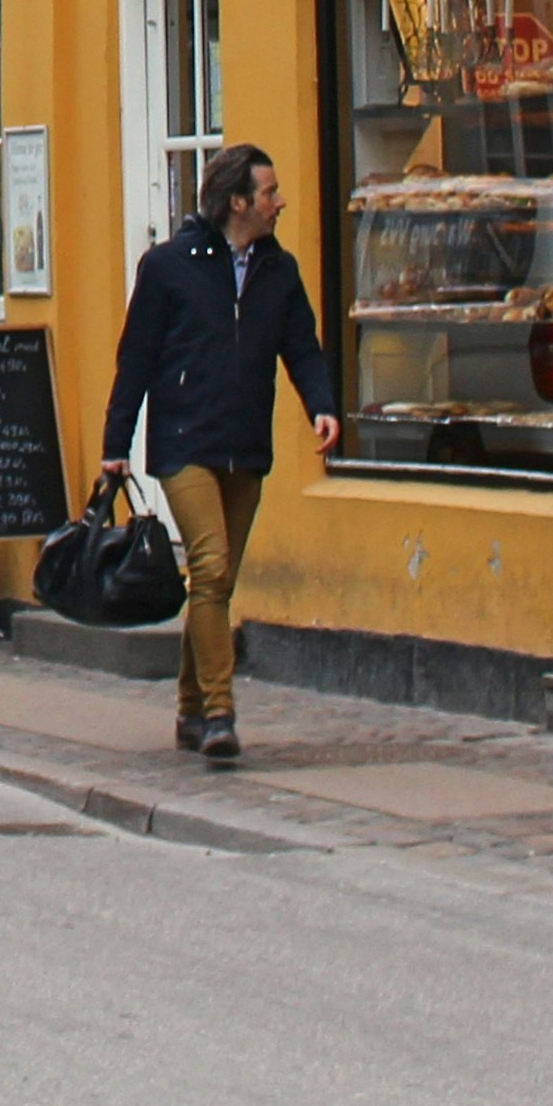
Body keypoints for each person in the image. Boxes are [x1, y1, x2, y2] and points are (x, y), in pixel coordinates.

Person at [100, 142, 338, 766]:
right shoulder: (168, 267)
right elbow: (136, 358)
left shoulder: (277, 271)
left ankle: (188, 707)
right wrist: (115, 445)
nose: (279, 202)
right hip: (185, 441)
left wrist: (321, 405)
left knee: (217, 580)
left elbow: (302, 347)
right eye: (270, 192)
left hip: (245, 442)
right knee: (208, 566)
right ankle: (220, 712)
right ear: (237, 202)